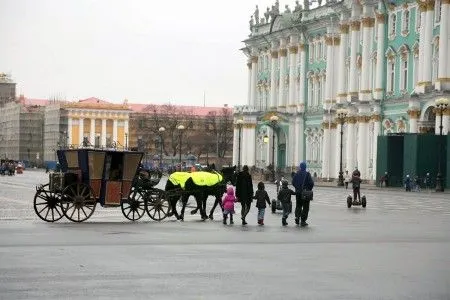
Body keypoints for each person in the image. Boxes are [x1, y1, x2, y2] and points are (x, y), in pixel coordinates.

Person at [292, 161, 314, 227]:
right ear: (305, 167)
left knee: (298, 205)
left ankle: (297, 217)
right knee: (305, 207)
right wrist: (308, 189)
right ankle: (303, 221)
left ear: (300, 167)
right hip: (305, 193)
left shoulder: (297, 174)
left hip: (298, 193)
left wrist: (297, 188)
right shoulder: (307, 174)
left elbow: (293, 182)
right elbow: (311, 183)